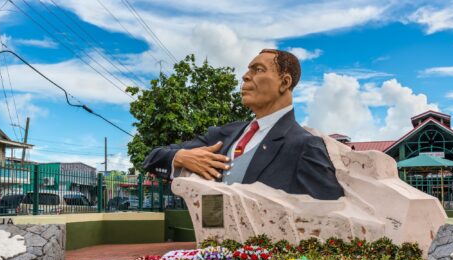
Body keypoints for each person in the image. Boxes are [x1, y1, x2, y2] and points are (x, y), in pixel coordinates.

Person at [143, 49, 344, 200]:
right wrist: (180, 157)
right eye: (248, 69)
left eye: (258, 70)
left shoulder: (305, 146)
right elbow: (153, 158)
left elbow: (329, 215)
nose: (245, 76)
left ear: (284, 82)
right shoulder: (222, 135)